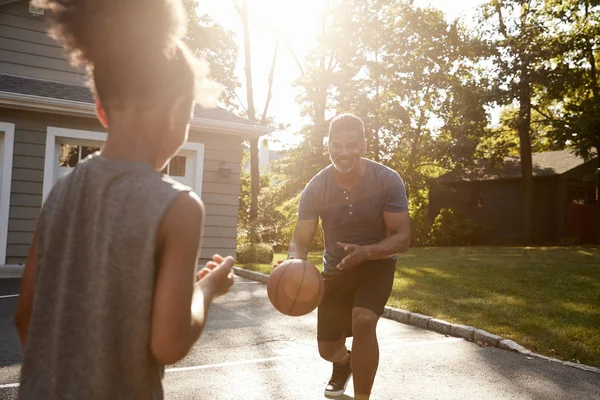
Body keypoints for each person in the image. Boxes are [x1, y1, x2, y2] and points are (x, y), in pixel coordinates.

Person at [13, 1, 234, 399]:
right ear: (178, 112)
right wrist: (206, 290)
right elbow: (168, 344)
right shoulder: (179, 207)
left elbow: (25, 316)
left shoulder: (60, 192)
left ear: (101, 111)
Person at [276, 114, 410, 399]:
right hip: (335, 269)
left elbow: (402, 238)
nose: (344, 152)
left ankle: (362, 396)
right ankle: (343, 363)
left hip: (377, 263)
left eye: (351, 145)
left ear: (363, 145)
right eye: (337, 145)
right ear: (329, 146)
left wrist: (368, 252)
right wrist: (293, 263)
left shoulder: (387, 180)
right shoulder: (316, 187)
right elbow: (300, 240)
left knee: (364, 320)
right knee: (327, 349)